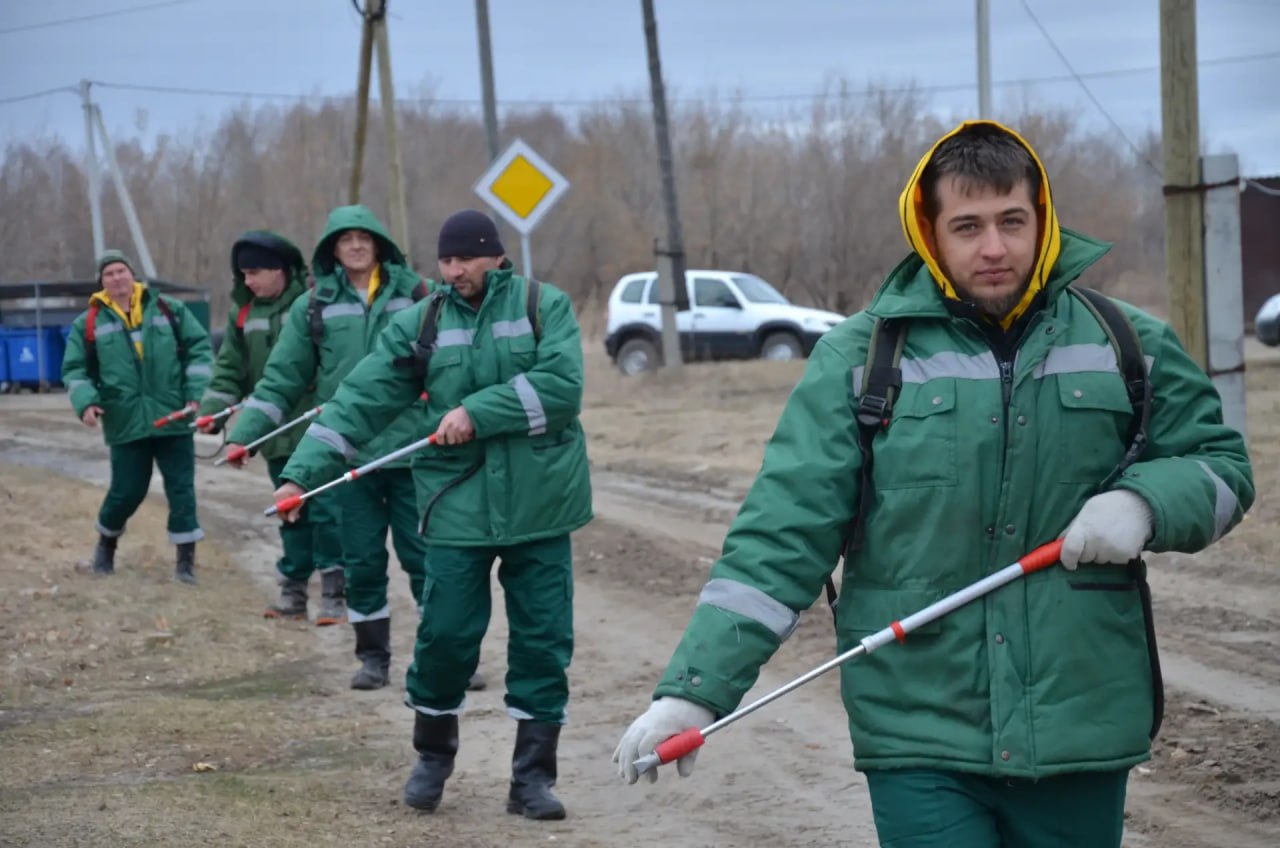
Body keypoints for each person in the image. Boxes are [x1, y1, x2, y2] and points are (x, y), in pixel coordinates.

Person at [612, 121, 1255, 848]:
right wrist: (693, 694)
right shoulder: (859, 358)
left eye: (1013, 222)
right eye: (968, 225)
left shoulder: (1125, 343)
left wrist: (1146, 501)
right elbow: (782, 535)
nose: (994, 247)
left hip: (1081, 717)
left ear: (1041, 221)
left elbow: (1223, 468)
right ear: (930, 231)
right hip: (918, 725)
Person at [273, 209, 592, 821]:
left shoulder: (541, 305)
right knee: (445, 635)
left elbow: (562, 387)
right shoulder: (422, 320)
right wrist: (300, 475)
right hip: (455, 504)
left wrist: (476, 411)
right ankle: (433, 759)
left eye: (465, 259)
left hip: (542, 504)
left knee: (543, 644)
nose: (454, 271)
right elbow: (360, 398)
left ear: (496, 255)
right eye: (445, 261)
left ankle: (531, 781)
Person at [226, 205, 436, 689]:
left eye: (365, 237)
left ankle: (444, 658)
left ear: (379, 242)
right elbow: (281, 379)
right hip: (349, 457)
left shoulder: (421, 295)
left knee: (428, 559)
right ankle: (373, 659)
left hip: (413, 452)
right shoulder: (314, 306)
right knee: (361, 561)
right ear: (332, 250)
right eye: (346, 239)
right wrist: (244, 435)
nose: (357, 246)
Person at [197, 231, 347, 623]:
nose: (248, 281)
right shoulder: (243, 315)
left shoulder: (315, 303)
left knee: (330, 512)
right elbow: (230, 367)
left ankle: (335, 593)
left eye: (256, 272)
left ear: (282, 270)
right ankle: (293, 594)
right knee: (289, 512)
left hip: (322, 429)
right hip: (276, 434)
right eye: (243, 274)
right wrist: (215, 410)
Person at [62, 249, 214, 584]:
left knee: (182, 491)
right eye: (109, 274)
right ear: (101, 283)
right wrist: (86, 402)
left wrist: (196, 390)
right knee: (126, 490)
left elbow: (200, 349)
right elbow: (74, 370)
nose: (116, 277)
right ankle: (106, 546)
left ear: (133, 275)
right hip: (125, 420)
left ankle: (185, 564)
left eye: (121, 271)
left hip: (173, 416)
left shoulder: (168, 309)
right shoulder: (88, 322)